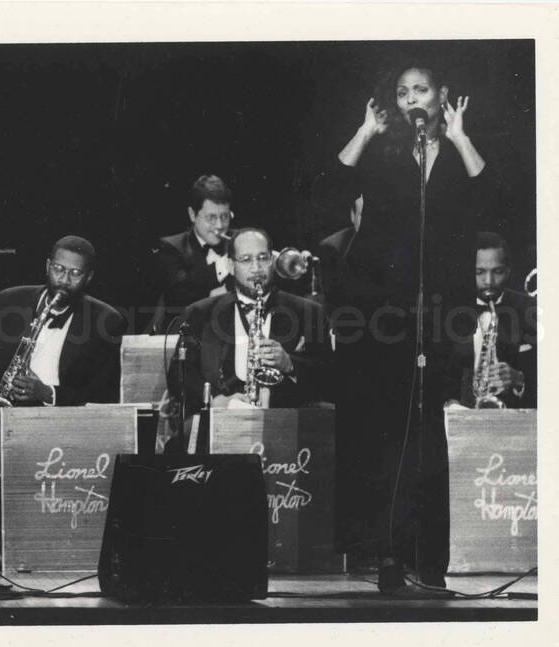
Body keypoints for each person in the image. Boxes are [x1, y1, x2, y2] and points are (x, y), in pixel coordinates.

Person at [311, 61, 502, 592]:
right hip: (385, 314)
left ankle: (431, 556)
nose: (412, 100)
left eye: (421, 91)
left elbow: (491, 197)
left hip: (439, 314)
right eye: (402, 94)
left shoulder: (457, 152)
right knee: (387, 432)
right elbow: (333, 185)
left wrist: (460, 138)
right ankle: (387, 554)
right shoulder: (388, 156)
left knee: (429, 431)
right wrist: (367, 131)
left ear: (441, 95)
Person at [172, 228, 330, 424]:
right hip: (222, 420)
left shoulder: (309, 312)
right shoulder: (199, 313)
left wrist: (289, 364)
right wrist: (216, 401)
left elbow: (329, 376)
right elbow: (179, 374)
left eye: (263, 258)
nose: (256, 268)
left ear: (272, 261)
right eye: (246, 259)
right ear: (230, 265)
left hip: (286, 423)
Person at [0, 235, 126, 406]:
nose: (64, 280)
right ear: (47, 266)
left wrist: (48, 393)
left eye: (75, 273)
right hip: (7, 414)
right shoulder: (9, 301)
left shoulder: (107, 320)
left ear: (88, 277)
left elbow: (104, 395)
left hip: (63, 423)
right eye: (58, 269)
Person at [444, 232, 536, 409]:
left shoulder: (528, 309)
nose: (488, 281)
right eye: (480, 272)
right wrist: (451, 403)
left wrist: (520, 379)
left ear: (508, 271)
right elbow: (442, 374)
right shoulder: (451, 311)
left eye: (498, 272)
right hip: (464, 418)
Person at [148, 174, 235, 334]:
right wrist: (224, 265)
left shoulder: (240, 241)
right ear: (192, 215)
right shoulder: (170, 247)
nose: (220, 225)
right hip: (188, 338)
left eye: (225, 216)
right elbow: (180, 296)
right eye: (211, 218)